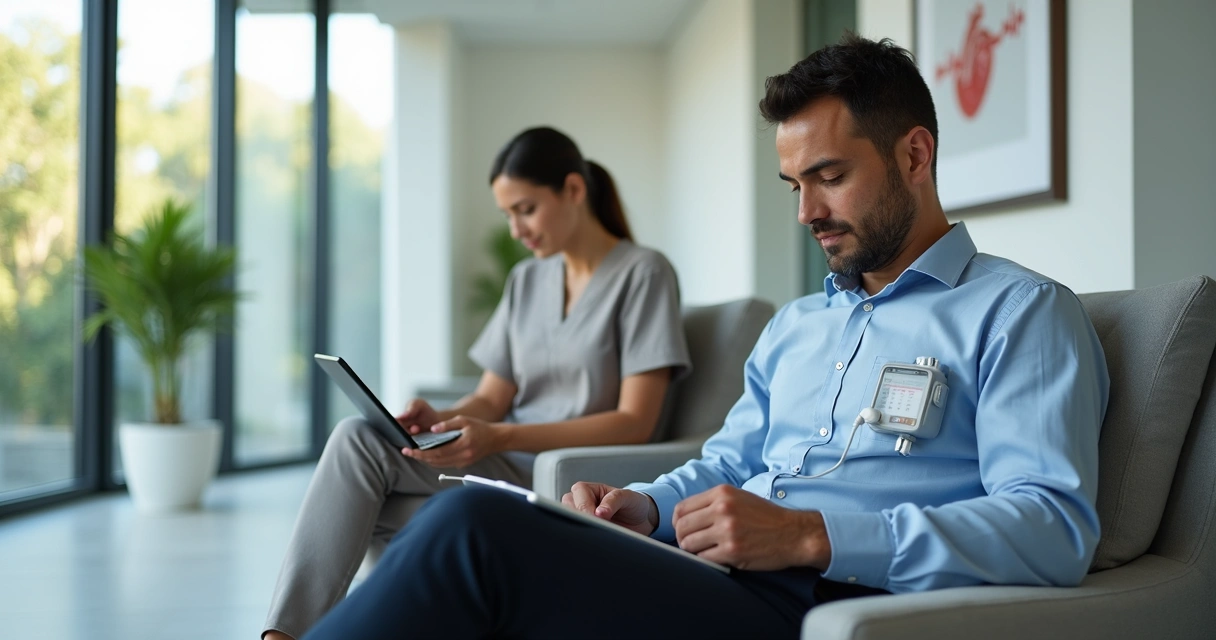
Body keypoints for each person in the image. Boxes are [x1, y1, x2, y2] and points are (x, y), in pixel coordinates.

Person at [300, 35, 1110, 640]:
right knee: (465, 545)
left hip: (827, 602)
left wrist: (812, 535)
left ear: (916, 154)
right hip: (716, 574)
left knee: (471, 531)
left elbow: (1052, 527)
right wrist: (645, 507)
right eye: (794, 186)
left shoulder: (1020, 314)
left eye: (830, 177)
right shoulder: (799, 326)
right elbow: (726, 463)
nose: (807, 213)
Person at [261, 127, 692, 640]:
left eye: (526, 210)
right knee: (359, 437)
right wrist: (440, 419)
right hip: (503, 461)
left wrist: (501, 436)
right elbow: (492, 397)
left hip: (571, 478)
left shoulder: (644, 273)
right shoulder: (526, 281)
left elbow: (636, 421)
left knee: (376, 500)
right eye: (507, 214)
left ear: (574, 190)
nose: (516, 229)